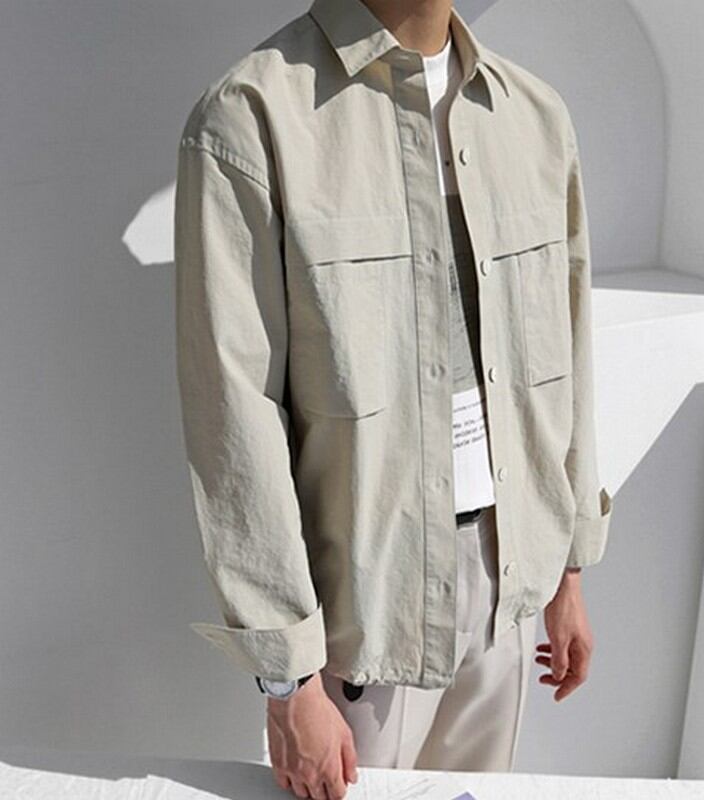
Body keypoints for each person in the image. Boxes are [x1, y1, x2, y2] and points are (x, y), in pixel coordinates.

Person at [174, 0, 613, 798]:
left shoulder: (534, 115)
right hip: (366, 607)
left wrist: (568, 573)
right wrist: (288, 681)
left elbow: (569, 351)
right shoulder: (256, 114)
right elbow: (235, 417)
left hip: (511, 584)